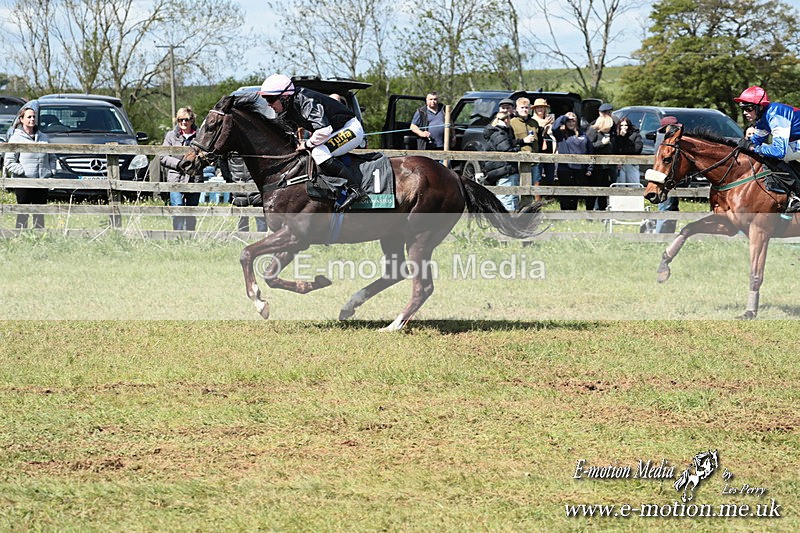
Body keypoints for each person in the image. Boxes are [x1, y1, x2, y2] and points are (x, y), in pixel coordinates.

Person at [258, 73, 367, 211]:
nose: (269, 104)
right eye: (266, 99)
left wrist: (307, 144)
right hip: (335, 130)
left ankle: (356, 190)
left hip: (351, 129)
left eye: (271, 99)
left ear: (284, 96)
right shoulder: (288, 107)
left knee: (319, 153)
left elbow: (324, 130)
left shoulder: (307, 100)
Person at [734, 85, 800, 213]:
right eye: (742, 108)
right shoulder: (762, 119)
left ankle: (795, 194)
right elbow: (753, 143)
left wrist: (754, 148)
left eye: (748, 108)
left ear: (760, 106)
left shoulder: (776, 115)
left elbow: (778, 151)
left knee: (779, 154)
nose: (744, 112)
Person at [3, 105, 56, 229]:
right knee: (23, 213)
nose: (32, 119)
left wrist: (51, 171)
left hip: (41, 181)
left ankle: (39, 239)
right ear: (21, 119)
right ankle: (21, 237)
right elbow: (9, 161)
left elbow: (52, 157)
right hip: (23, 182)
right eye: (29, 117)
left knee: (39, 213)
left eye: (34, 117)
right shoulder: (15, 138)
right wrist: (23, 171)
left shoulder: (43, 137)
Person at [161, 106, 201, 231]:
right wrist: (178, 164)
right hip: (175, 178)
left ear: (192, 120)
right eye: (180, 120)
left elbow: (207, 155)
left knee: (191, 209)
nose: (184, 122)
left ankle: (189, 236)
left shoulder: (200, 135)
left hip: (194, 178)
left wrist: (195, 163)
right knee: (177, 208)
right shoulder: (171, 136)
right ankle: (177, 236)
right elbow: (163, 157)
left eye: (187, 119)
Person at [552, 112, 592, 210]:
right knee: (565, 193)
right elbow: (554, 127)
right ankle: (565, 215)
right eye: (568, 121)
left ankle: (574, 214)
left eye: (573, 121)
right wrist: (564, 117)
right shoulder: (561, 134)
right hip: (565, 168)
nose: (570, 123)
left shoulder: (583, 133)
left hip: (580, 168)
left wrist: (590, 167)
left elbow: (590, 150)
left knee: (576, 194)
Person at [482, 110, 520, 211]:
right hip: (505, 169)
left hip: (501, 168)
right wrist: (517, 149)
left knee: (509, 196)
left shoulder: (499, 132)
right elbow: (506, 150)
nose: (509, 120)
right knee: (506, 197)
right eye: (507, 118)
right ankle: (508, 222)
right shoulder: (499, 133)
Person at [219, 155, 268, 232]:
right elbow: (222, 162)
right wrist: (229, 179)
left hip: (255, 185)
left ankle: (261, 238)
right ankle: (243, 238)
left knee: (260, 216)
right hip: (238, 184)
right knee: (242, 218)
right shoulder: (229, 149)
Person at [585, 103, 616, 210]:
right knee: (593, 192)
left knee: (604, 191)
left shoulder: (610, 131)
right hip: (595, 166)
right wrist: (602, 143)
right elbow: (588, 147)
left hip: (606, 166)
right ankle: (589, 214)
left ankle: (603, 214)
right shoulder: (593, 130)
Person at [509, 97, 540, 201]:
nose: (525, 110)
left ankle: (528, 214)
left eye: (527, 107)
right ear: (516, 109)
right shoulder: (512, 122)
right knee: (518, 190)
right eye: (522, 107)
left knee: (531, 191)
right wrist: (523, 141)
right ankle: (517, 214)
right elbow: (509, 142)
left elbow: (539, 140)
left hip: (534, 161)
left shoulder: (534, 123)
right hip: (519, 162)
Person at [653, 115, 680, 233]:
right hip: (663, 178)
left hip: (669, 178)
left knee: (672, 207)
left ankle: (668, 234)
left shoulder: (665, 139)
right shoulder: (664, 140)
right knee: (665, 207)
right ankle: (660, 236)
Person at [530, 98, 556, 187]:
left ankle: (549, 197)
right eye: (538, 107)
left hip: (550, 149)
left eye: (542, 107)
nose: (540, 109)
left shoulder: (550, 120)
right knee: (537, 175)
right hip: (538, 149)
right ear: (534, 109)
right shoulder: (532, 121)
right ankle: (537, 198)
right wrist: (543, 126)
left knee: (550, 175)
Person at [613, 117, 643, 184]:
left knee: (634, 184)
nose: (624, 127)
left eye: (626, 125)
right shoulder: (616, 136)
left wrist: (625, 139)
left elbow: (637, 149)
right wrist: (620, 137)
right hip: (619, 164)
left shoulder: (635, 134)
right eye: (622, 125)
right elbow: (615, 149)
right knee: (620, 185)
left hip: (632, 163)